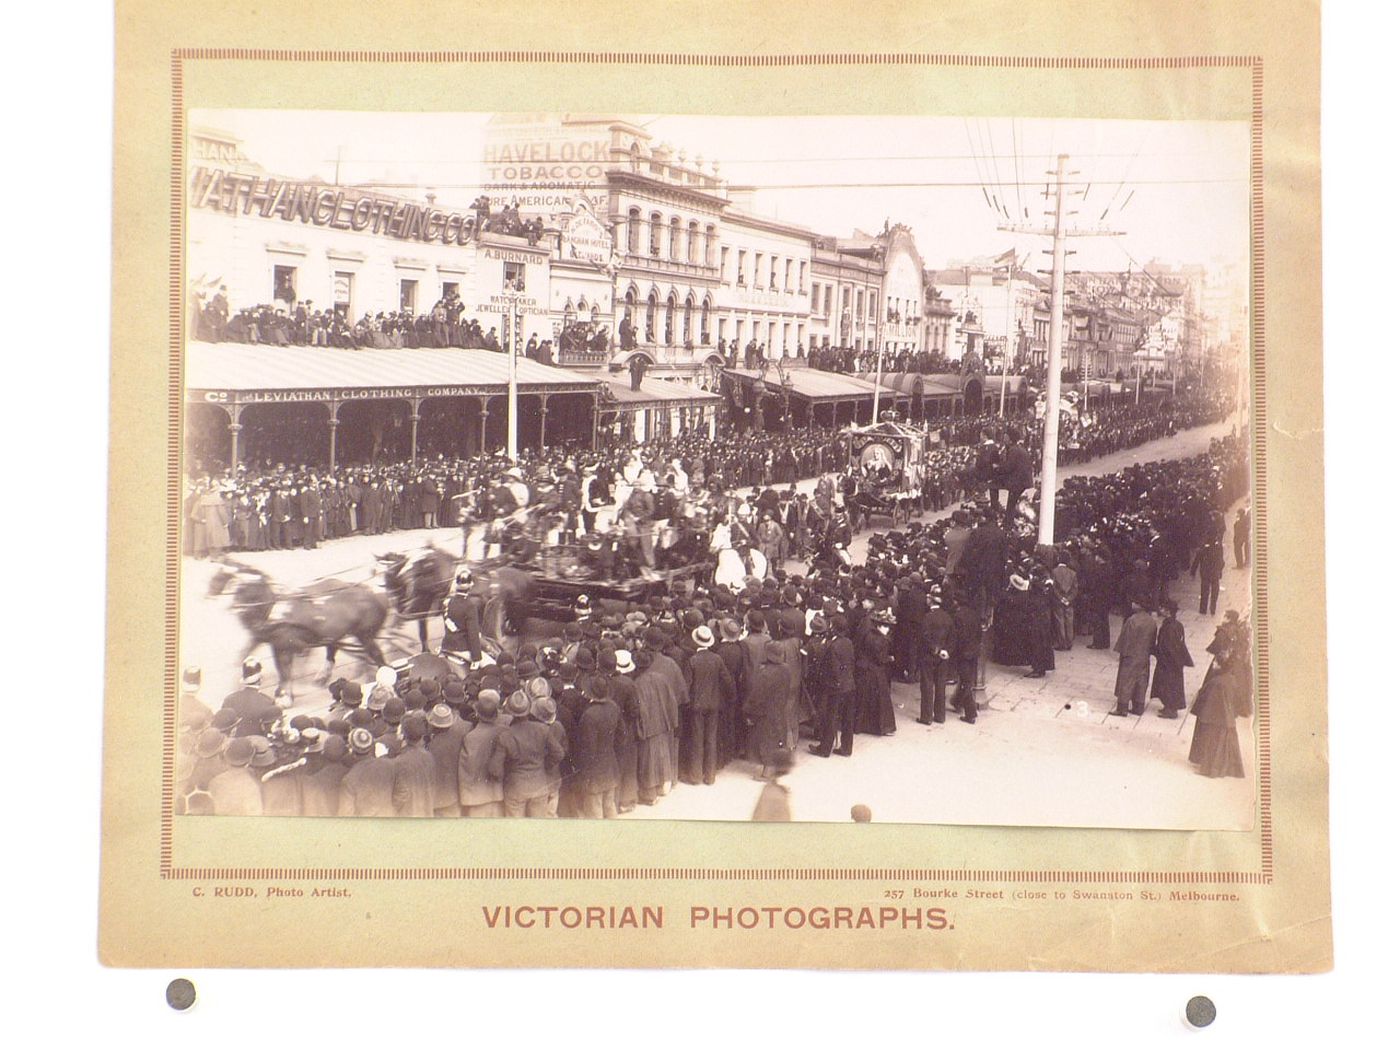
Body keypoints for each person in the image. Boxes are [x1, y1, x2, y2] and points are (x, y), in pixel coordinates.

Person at [683, 625, 735, 785]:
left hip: (697, 705)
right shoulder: (717, 659)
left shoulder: (692, 660)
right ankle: (710, 775)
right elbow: (727, 681)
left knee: (697, 739)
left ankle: (696, 775)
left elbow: (687, 685)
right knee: (711, 739)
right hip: (714, 704)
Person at [572, 673, 625, 818]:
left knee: (594, 809)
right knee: (610, 805)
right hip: (610, 764)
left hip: (594, 772)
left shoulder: (589, 715)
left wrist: (583, 772)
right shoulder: (614, 707)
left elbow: (587, 749)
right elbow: (622, 736)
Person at [459, 692, 508, 817]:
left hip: (477, 797)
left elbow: (466, 769)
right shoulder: (504, 731)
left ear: (477, 714)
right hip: (498, 793)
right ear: (496, 715)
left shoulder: (470, 737)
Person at [1110, 603, 1158, 716]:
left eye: (1135, 603)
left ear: (1140, 605)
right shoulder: (1152, 621)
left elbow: (1125, 638)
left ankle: (1122, 708)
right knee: (1141, 680)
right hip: (1144, 655)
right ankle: (1138, 706)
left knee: (1126, 680)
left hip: (1131, 654)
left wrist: (1122, 653)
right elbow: (1152, 640)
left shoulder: (1132, 620)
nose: (1132, 604)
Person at [1150, 599, 1194, 719]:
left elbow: (1168, 646)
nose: (1161, 610)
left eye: (1163, 608)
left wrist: (1158, 653)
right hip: (1175, 662)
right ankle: (1169, 707)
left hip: (1169, 662)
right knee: (1171, 685)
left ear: (1168, 611)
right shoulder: (1177, 625)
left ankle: (1171, 709)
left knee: (1168, 685)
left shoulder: (1169, 627)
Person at [917, 591, 953, 724]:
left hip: (928, 656)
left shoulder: (927, 617)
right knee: (940, 685)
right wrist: (946, 651)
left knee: (927, 685)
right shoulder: (948, 617)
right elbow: (952, 638)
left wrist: (934, 649)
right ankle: (940, 715)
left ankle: (926, 716)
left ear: (931, 601)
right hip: (943, 657)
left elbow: (924, 637)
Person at [441, 568, 484, 664]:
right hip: (462, 648)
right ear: (470, 586)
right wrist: (476, 658)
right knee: (490, 664)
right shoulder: (470, 606)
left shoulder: (447, 602)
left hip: (446, 646)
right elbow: (473, 634)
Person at [1191, 537, 1225, 616]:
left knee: (1204, 592)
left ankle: (1203, 609)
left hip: (1205, 574)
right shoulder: (1218, 549)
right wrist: (1220, 571)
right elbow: (1222, 562)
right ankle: (1213, 609)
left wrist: (1193, 573)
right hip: (1215, 574)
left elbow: (1196, 561)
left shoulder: (1202, 550)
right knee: (1215, 592)